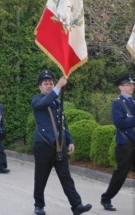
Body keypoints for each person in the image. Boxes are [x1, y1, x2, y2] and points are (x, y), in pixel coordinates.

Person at [31, 70, 92, 215]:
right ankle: (39, 205)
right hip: (44, 146)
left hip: (59, 146)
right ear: (40, 86)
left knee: (66, 177)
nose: (49, 86)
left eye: (51, 83)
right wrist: (59, 86)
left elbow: (63, 124)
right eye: (46, 84)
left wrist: (69, 140)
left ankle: (76, 205)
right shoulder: (37, 100)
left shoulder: (57, 103)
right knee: (41, 178)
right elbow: (45, 101)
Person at [101, 73, 135, 213]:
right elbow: (118, 123)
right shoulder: (117, 103)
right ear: (121, 87)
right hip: (125, 144)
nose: (132, 86)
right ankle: (106, 198)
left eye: (132, 84)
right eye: (128, 84)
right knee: (121, 174)